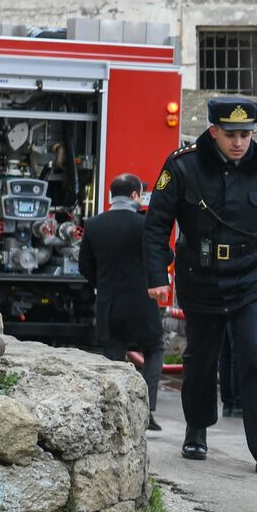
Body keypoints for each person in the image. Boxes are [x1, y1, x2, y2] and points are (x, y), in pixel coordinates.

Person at [143, 96, 257, 474]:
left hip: (251, 277)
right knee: (200, 358)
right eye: (231, 134)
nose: (239, 142)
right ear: (213, 130)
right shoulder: (183, 165)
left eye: (246, 134)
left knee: (255, 354)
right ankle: (197, 428)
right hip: (201, 277)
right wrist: (158, 277)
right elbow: (157, 224)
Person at [79, 173, 164, 431]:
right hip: (143, 304)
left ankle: (118, 412)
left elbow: (85, 266)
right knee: (155, 348)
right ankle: (146, 409)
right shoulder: (145, 224)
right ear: (135, 195)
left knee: (115, 357)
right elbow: (163, 255)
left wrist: (103, 286)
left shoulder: (94, 224)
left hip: (110, 304)